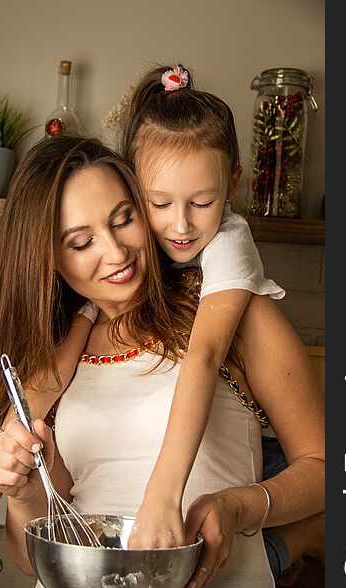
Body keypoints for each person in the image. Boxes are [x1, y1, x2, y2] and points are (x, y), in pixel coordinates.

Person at [0, 135, 324, 588]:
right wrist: (22, 495)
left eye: (124, 219)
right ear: (49, 260)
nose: (117, 252)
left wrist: (238, 507)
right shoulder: (52, 366)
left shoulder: (232, 315)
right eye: (81, 242)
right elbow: (33, 565)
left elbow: (327, 466)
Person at [117, 63, 286, 553]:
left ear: (232, 184)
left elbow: (206, 354)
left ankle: (299, 541)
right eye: (160, 204)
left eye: (203, 202)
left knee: (248, 545)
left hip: (260, 439)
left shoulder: (230, 240)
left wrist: (161, 496)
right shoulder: (125, 237)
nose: (182, 226)